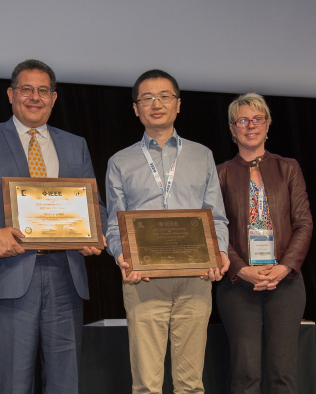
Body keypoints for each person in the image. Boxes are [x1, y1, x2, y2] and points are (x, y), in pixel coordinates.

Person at [0, 59, 106, 393]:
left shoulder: (74, 143)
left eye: (43, 90)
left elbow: (93, 204)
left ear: (54, 97)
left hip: (66, 276)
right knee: (11, 383)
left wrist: (97, 232)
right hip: (8, 275)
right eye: (26, 89)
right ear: (11, 94)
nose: (35, 97)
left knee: (66, 382)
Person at [105, 69, 230, 393]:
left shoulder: (202, 155)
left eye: (164, 96)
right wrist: (122, 257)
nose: (155, 103)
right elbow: (114, 224)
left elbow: (216, 216)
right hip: (143, 282)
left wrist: (220, 253)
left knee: (191, 384)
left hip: (196, 279)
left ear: (178, 104)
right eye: (146, 98)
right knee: (146, 385)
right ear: (136, 108)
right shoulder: (120, 161)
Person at [216, 93, 312, 393]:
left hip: (285, 282)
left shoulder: (288, 168)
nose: (250, 125)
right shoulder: (220, 174)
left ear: (268, 124)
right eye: (242, 120)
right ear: (232, 129)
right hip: (238, 283)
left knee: (283, 373)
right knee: (246, 374)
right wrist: (241, 269)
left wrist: (285, 267)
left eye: (257, 119)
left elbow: (304, 223)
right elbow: (214, 231)